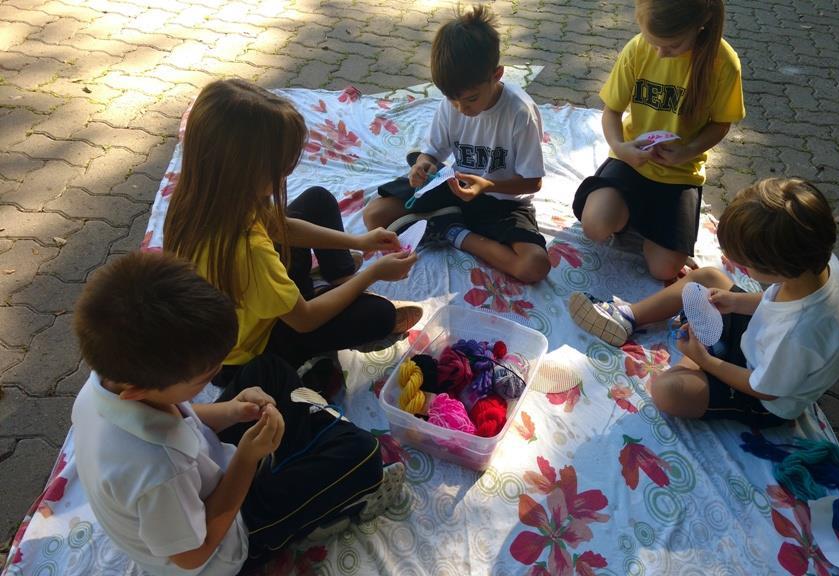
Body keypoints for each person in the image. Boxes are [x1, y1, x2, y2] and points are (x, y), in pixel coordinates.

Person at [72, 252, 405, 575]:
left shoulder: (104, 385)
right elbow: (192, 555)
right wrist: (247, 460)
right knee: (363, 456)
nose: (215, 373)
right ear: (138, 390)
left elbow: (182, 415)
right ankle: (314, 493)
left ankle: (302, 450)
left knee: (266, 369)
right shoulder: (158, 471)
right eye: (204, 376)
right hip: (228, 543)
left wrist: (231, 411)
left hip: (208, 472)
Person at [163, 79, 421, 385]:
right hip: (253, 352)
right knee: (378, 314)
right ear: (246, 171)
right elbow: (305, 320)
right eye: (281, 170)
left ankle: (340, 281)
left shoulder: (206, 196)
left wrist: (358, 240)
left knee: (317, 199)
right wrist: (374, 272)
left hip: (249, 309)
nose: (286, 176)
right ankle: (339, 299)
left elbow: (279, 227)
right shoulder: (249, 250)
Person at [569, 178, 839, 427]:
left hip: (765, 394)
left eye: (745, 265)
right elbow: (777, 303)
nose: (739, 268)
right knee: (707, 277)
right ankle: (628, 316)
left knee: (668, 392)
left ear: (780, 267)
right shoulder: (818, 262)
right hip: (762, 345)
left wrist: (707, 361)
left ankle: (701, 352)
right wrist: (736, 302)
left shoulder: (798, 335)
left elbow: (765, 389)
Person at [362, 4, 550, 284]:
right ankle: (447, 219)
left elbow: (532, 182)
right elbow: (434, 152)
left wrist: (489, 186)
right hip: (455, 187)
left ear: (496, 75)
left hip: (501, 201)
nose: (461, 108)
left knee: (534, 266)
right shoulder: (453, 103)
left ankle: (453, 231)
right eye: (453, 100)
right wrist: (424, 165)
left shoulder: (519, 113)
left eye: (471, 99)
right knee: (374, 215)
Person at [573, 0, 744, 280]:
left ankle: (642, 220)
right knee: (594, 225)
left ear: (700, 26)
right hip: (631, 161)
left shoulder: (723, 63)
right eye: (654, 43)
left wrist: (687, 151)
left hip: (680, 171)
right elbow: (612, 111)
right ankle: (630, 214)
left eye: (672, 46)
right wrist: (620, 147)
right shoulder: (639, 47)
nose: (660, 53)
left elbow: (721, 124)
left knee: (664, 269)